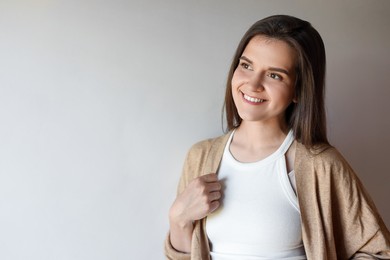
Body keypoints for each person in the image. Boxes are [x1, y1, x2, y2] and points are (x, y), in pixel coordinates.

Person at [165, 15, 390, 259]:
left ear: (298, 90)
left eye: (274, 75)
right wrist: (178, 219)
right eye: (246, 65)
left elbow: (378, 251)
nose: (253, 84)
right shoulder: (200, 157)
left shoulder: (321, 165)